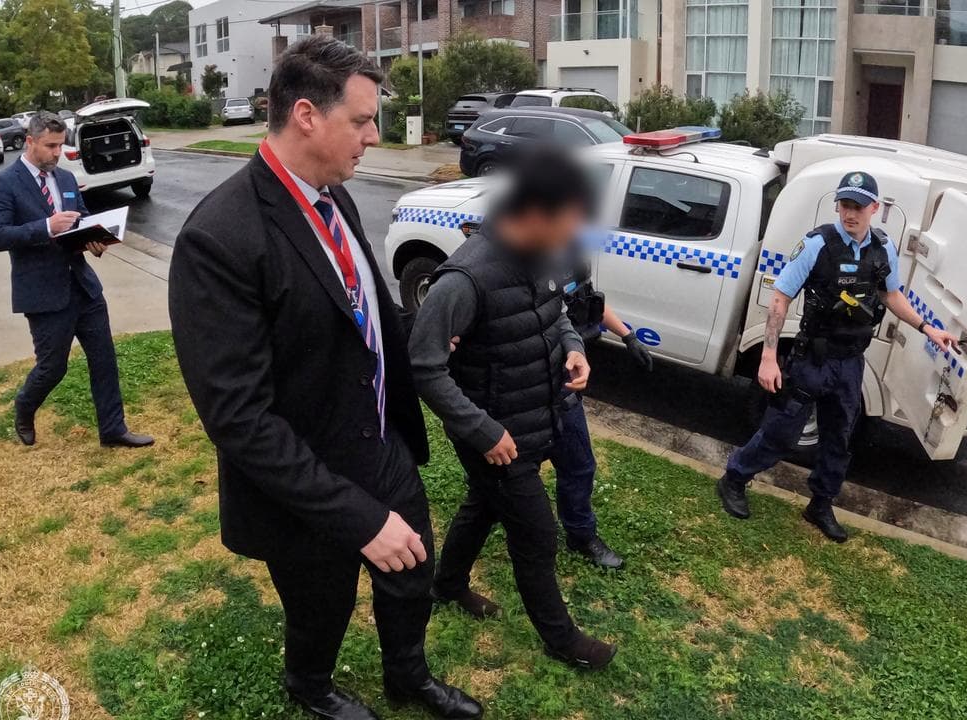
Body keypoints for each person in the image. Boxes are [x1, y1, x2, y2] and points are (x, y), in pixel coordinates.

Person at [168, 37, 480, 720]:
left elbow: (357, 309)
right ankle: (309, 685)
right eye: (362, 121)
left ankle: (407, 677)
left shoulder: (334, 197)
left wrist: (425, 333)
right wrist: (359, 521)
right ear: (306, 115)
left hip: (381, 446)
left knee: (412, 571)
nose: (374, 137)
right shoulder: (218, 238)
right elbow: (239, 418)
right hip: (302, 481)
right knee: (322, 602)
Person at [408, 148, 618, 670]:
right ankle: (562, 640)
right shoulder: (463, 280)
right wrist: (482, 431)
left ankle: (446, 584)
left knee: (484, 505)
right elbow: (424, 367)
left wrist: (575, 348)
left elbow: (555, 315)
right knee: (536, 535)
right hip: (495, 437)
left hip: (537, 415)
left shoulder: (543, 253)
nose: (574, 235)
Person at [716, 171, 960, 543]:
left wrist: (928, 328)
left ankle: (821, 504)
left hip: (851, 363)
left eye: (858, 206)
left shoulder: (883, 248)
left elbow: (891, 295)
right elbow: (780, 298)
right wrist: (768, 357)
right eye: (845, 205)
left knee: (838, 439)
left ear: (874, 208)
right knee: (782, 431)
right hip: (812, 360)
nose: (850, 213)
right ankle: (734, 479)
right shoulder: (817, 244)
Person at [0, 112, 153, 449]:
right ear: (30, 141)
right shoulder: (5, 183)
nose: (57, 152)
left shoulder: (65, 178)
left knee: (104, 359)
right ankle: (25, 405)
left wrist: (95, 239)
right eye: (50, 146)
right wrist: (47, 227)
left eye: (60, 145)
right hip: (43, 293)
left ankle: (113, 430)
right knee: (53, 367)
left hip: (84, 286)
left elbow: (82, 219)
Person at [550, 251, 654, 569]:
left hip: (565, 382)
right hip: (526, 383)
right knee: (509, 469)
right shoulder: (523, 258)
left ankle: (580, 534)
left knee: (579, 465)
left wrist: (628, 336)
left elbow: (589, 300)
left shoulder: (571, 250)